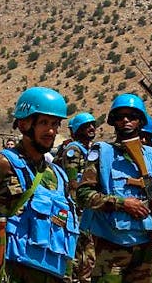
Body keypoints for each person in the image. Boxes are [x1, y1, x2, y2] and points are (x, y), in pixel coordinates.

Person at [0, 87, 79, 282]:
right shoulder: (1, 164)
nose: (51, 131)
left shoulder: (57, 175)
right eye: (43, 123)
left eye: (55, 124)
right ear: (24, 124)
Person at [77, 94, 152, 283]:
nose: (126, 120)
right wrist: (121, 203)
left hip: (144, 246)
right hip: (111, 245)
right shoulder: (101, 153)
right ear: (113, 121)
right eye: (120, 117)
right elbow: (83, 194)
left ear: (140, 121)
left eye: (132, 116)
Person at [60, 112, 97, 283]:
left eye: (93, 125)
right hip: (78, 206)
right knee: (79, 245)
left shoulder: (89, 149)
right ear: (77, 129)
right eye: (86, 126)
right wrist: (79, 204)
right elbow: (73, 181)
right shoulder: (73, 150)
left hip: (88, 204)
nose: (91, 128)